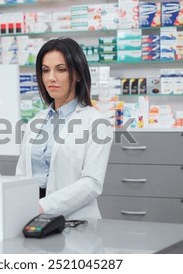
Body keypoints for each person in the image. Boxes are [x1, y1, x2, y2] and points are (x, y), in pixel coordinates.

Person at [16, 37, 113, 219]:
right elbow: (21, 174)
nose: (51, 77)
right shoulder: (35, 122)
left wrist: (43, 206)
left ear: (77, 74)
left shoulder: (97, 122)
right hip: (30, 217)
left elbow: (91, 183)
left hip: (75, 221)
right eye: (45, 70)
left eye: (61, 70)